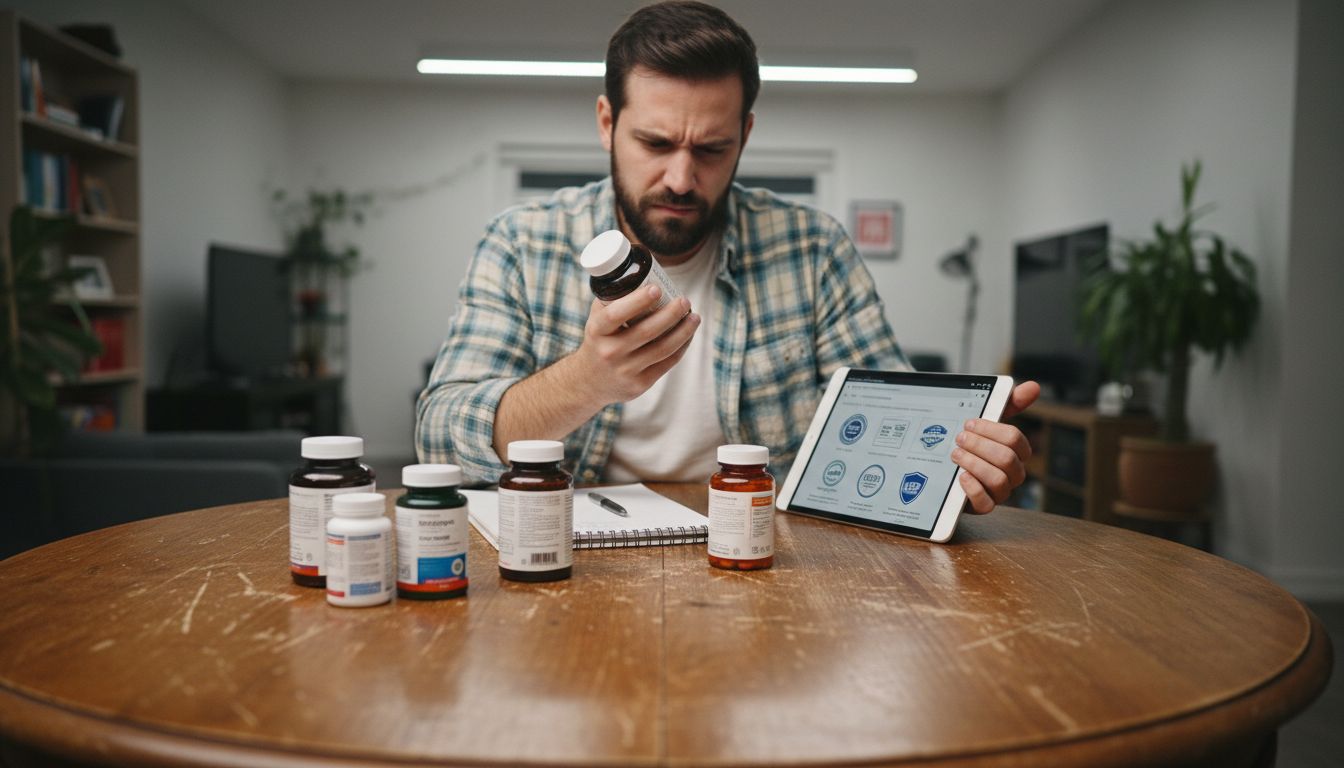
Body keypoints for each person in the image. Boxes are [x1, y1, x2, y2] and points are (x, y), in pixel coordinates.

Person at [417, 0, 1038, 512]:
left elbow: (891, 419)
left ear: (744, 133)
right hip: (569, 550)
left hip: (769, 546)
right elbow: (438, 437)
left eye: (711, 148)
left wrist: (960, 454)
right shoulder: (522, 241)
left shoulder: (812, 248)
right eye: (655, 143)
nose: (682, 179)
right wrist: (586, 381)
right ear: (607, 123)